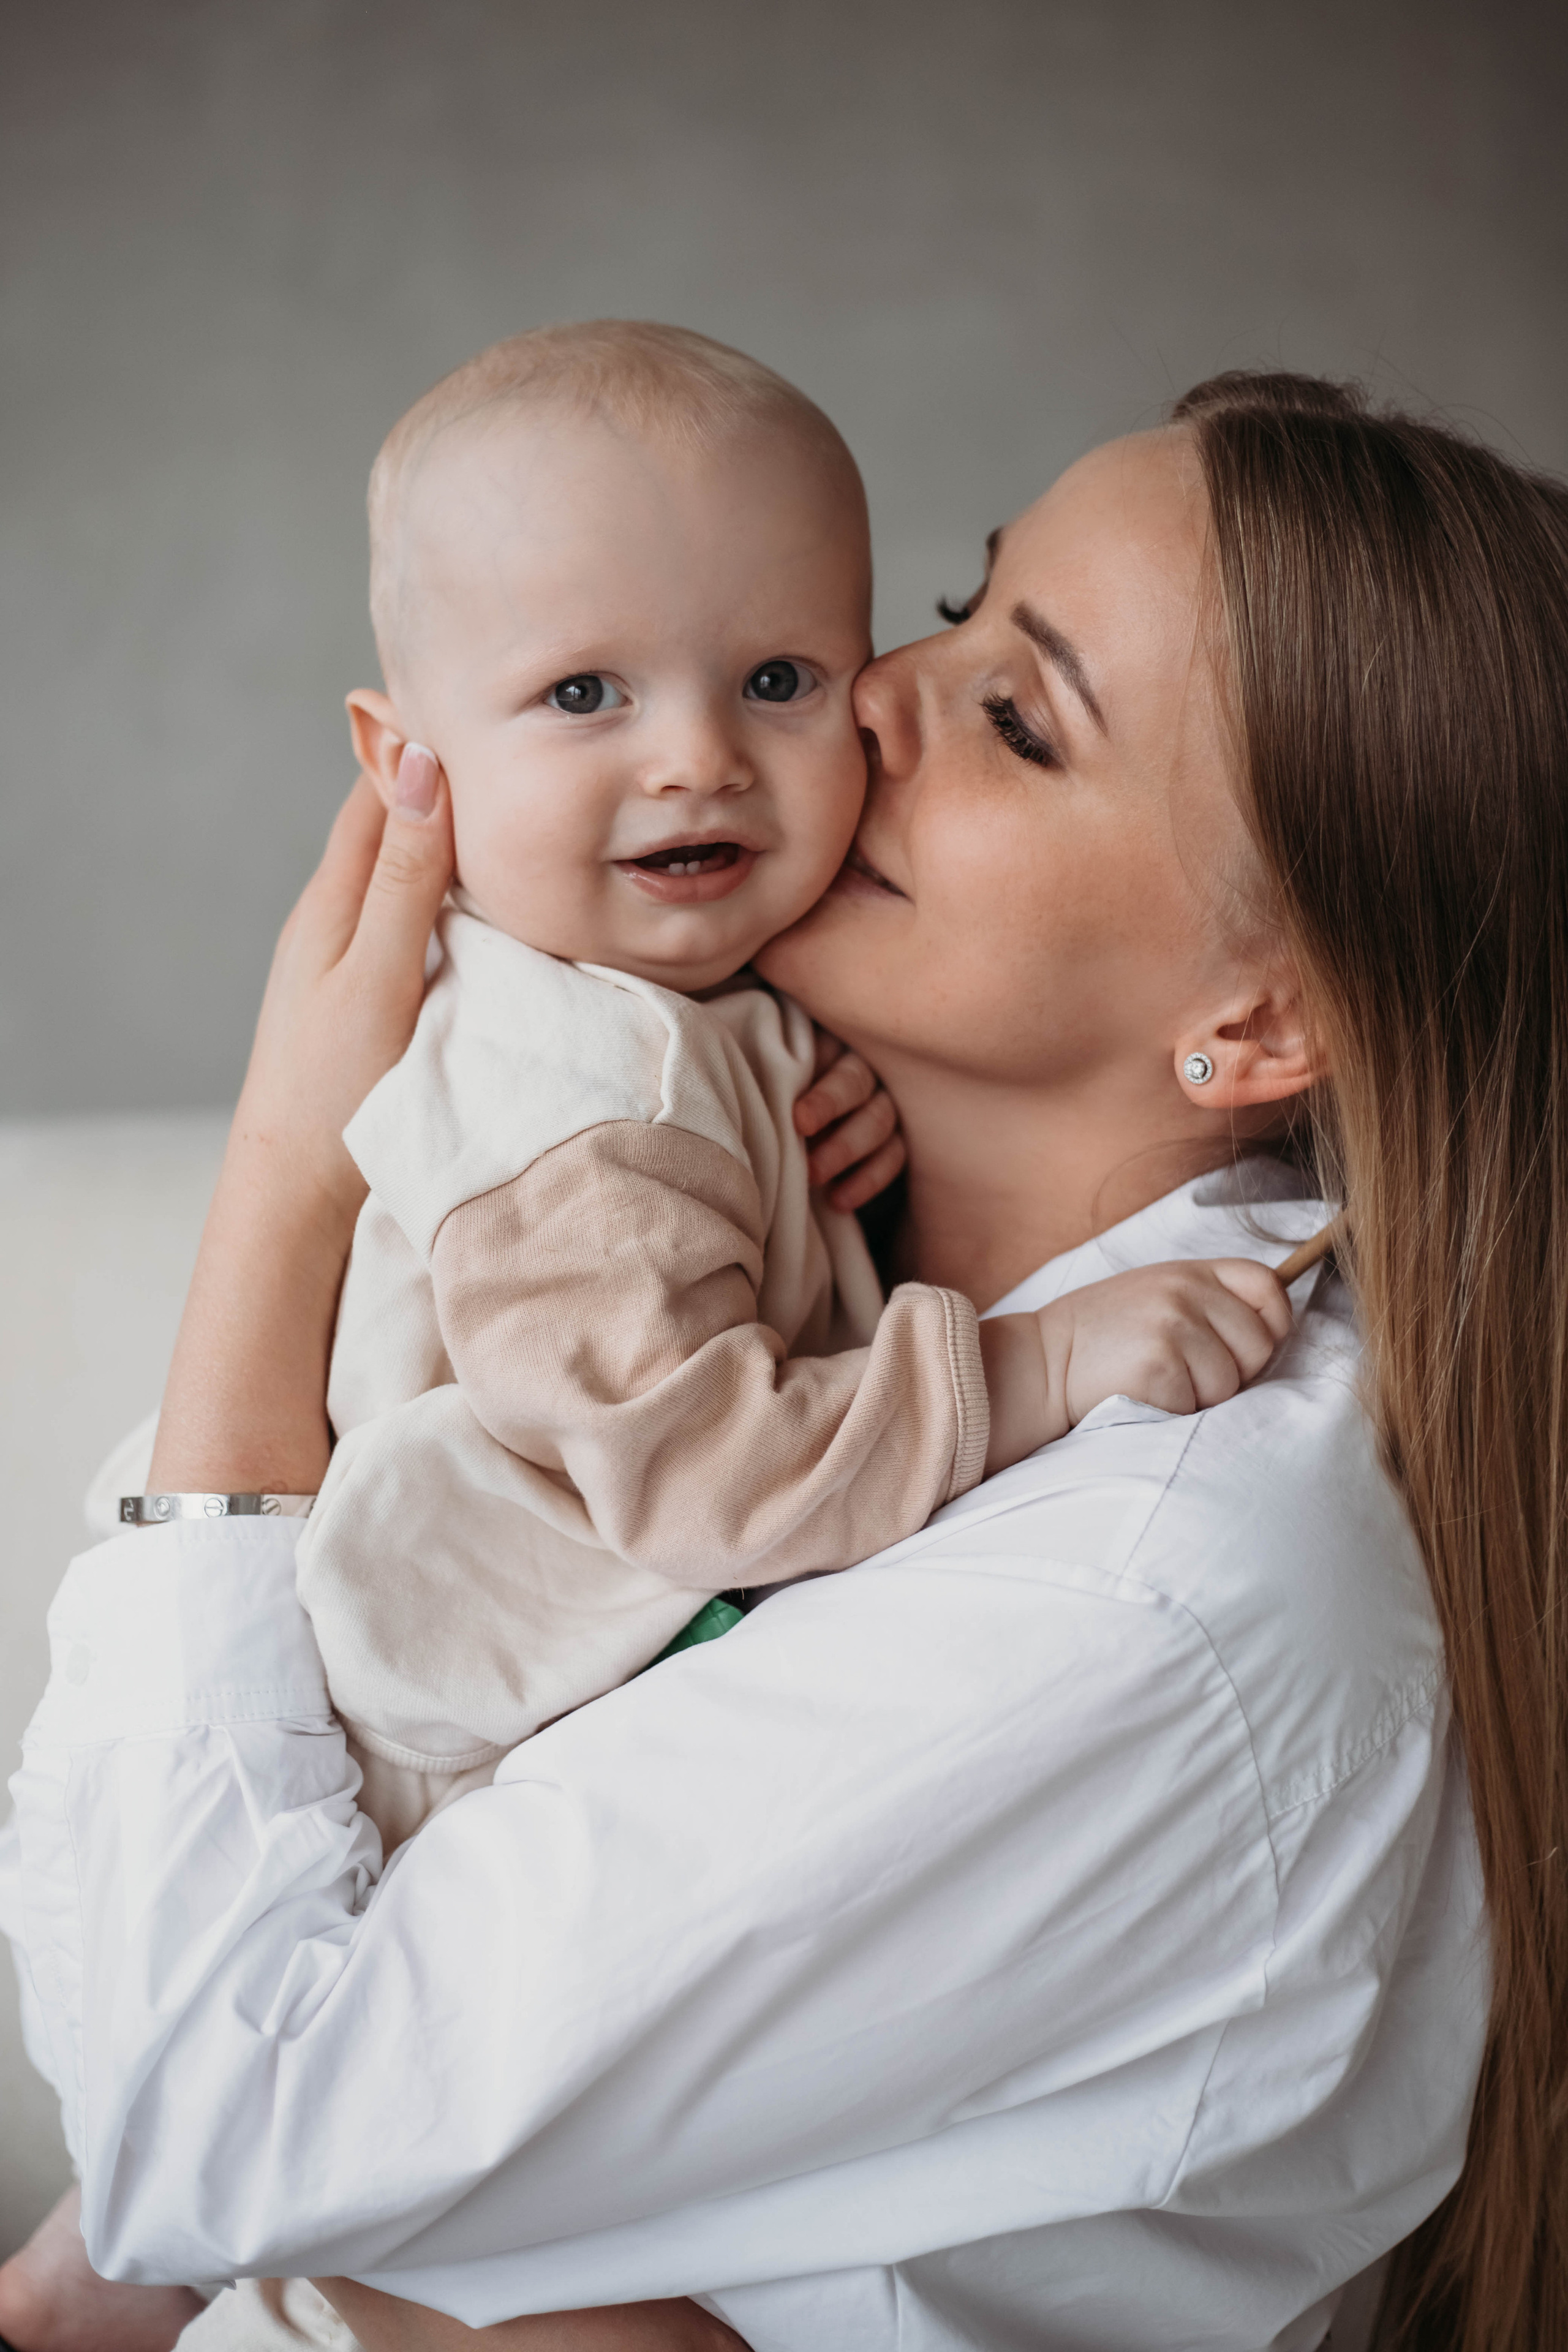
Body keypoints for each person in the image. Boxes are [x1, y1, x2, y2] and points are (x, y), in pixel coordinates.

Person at [5, 367, 1565, 2352]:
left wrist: (284, 1190)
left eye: (1020, 718)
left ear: (1253, 1034)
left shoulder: (1136, 1586)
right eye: (957, 600)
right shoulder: (764, 1182)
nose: (865, 694)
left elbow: (208, 2135)